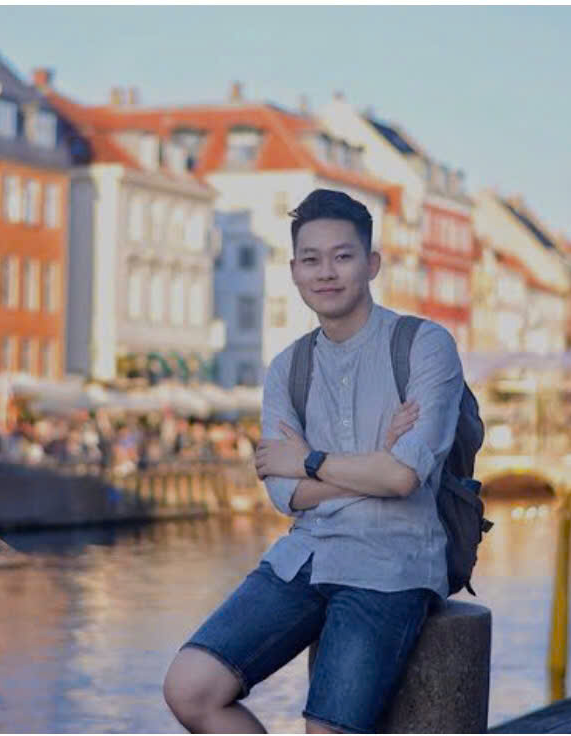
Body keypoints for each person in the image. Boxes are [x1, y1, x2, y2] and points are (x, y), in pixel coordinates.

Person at [163, 189, 465, 733]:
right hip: (306, 554)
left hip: (389, 564)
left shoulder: (424, 345)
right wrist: (371, 463)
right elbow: (287, 494)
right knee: (189, 688)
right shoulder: (288, 368)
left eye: (342, 256)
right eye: (311, 259)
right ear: (295, 271)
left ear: (371, 264)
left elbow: (402, 478)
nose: (326, 272)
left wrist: (309, 459)